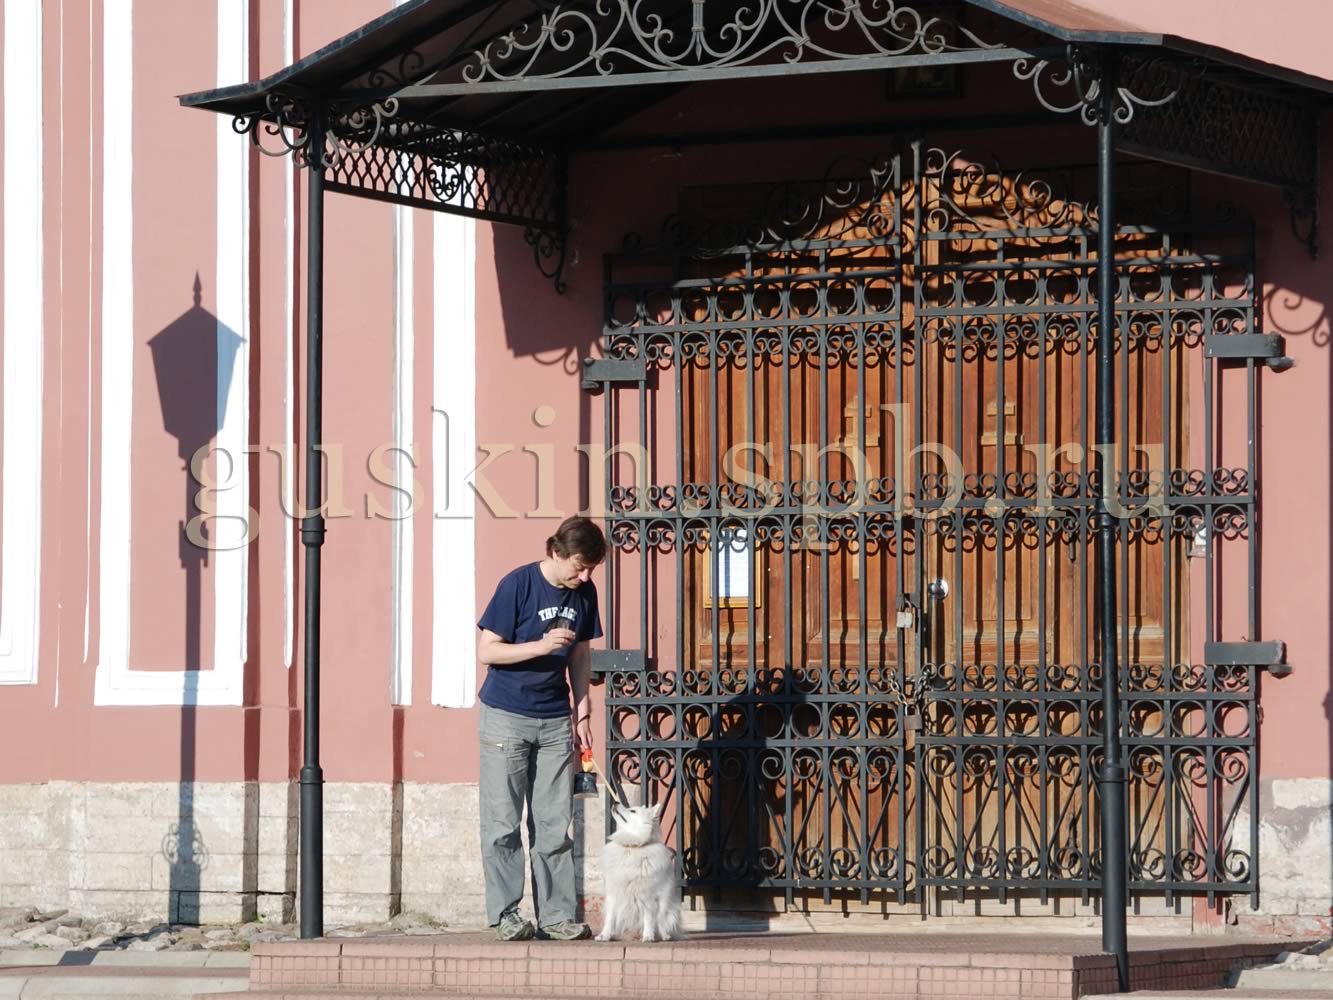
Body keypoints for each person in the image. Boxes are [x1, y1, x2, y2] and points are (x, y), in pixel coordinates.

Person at [476, 515, 606, 941]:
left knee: (554, 823)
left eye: (591, 569)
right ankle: (507, 915)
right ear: (556, 551)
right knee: (503, 823)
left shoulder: (584, 593)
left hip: (554, 719)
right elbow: (487, 651)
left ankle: (556, 917)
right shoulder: (517, 585)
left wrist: (582, 713)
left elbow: (581, 655)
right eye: (580, 567)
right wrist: (541, 646)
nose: (585, 577)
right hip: (506, 716)